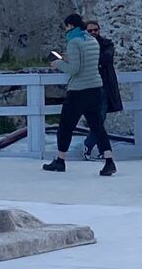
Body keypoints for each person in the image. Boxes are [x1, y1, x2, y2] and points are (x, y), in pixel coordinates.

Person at [43, 14, 114, 177]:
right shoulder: (92, 40)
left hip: (79, 90)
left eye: (66, 27)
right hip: (95, 87)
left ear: (70, 26)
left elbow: (75, 69)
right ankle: (109, 161)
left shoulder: (73, 42)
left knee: (65, 125)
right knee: (97, 126)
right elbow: (87, 63)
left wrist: (58, 63)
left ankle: (60, 160)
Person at [86, 17, 122, 159]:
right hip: (89, 85)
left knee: (100, 116)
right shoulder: (82, 45)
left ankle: (90, 145)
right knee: (96, 117)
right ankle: (100, 149)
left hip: (103, 86)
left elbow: (106, 58)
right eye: (90, 31)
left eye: (96, 30)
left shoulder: (107, 44)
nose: (94, 32)